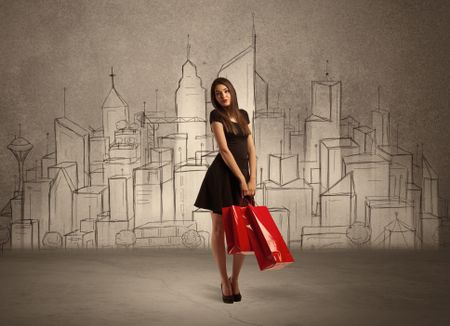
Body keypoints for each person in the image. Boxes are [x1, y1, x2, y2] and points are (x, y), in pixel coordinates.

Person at [194, 77, 257, 304]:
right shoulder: (216, 116)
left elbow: (251, 148)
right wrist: (242, 178)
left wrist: (252, 179)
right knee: (219, 229)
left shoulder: (242, 115)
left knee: (242, 230)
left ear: (232, 92)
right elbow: (223, 149)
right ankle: (224, 280)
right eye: (218, 93)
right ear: (215, 98)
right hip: (221, 177)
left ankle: (236, 279)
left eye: (226, 91)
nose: (223, 96)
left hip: (243, 179)